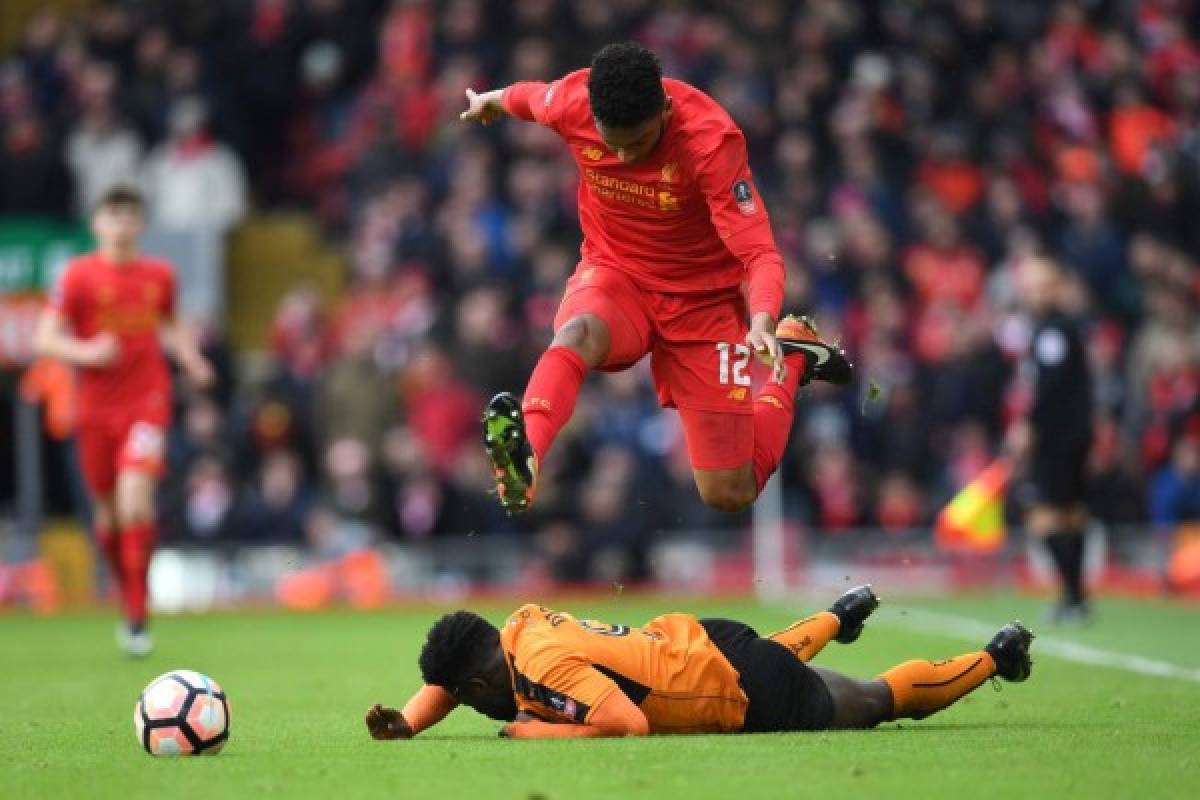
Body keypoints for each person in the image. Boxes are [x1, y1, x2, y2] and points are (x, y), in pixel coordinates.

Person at [459, 42, 852, 516]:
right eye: (612, 142)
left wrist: (763, 321)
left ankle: (791, 359)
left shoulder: (710, 141)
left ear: (665, 111)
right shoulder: (572, 102)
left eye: (639, 142)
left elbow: (760, 252)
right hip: (617, 273)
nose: (624, 156)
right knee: (577, 332)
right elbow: (529, 97)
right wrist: (491, 100)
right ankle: (528, 455)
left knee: (729, 492)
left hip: (700, 303)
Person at [364, 586, 1034, 739]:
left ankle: (994, 657)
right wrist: (409, 724)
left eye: (463, 698)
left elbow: (629, 726)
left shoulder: (543, 670)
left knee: (872, 701)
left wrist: (530, 730)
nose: (465, 705)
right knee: (776, 654)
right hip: (699, 639)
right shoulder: (514, 630)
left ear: (485, 682)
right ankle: (837, 616)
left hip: (738, 690)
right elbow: (455, 681)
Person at [32, 185, 213, 655]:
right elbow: (45, 339)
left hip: (147, 400)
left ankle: (137, 612)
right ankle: (127, 590)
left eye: (130, 216)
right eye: (113, 216)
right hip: (94, 408)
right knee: (109, 516)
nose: (122, 225)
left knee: (136, 497)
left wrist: (190, 359)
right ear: (97, 224)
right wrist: (87, 351)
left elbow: (171, 322)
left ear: (140, 225)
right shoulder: (77, 277)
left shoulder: (158, 275)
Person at [1007, 256, 1095, 623]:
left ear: (1057, 288)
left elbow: (1050, 386)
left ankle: (1073, 598)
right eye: (1029, 288)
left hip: (1057, 436)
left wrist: (1028, 424)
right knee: (1071, 514)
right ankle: (1075, 598)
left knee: (1045, 515)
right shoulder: (1058, 328)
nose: (1033, 294)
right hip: (1073, 433)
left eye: (1041, 286)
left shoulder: (1053, 330)